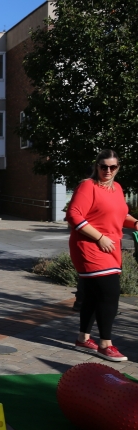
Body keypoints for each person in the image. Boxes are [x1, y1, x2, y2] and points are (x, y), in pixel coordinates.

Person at [66, 149, 138, 362]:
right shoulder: (88, 186)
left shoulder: (116, 188)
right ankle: (105, 344)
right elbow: (73, 214)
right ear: (96, 166)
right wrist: (99, 237)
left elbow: (120, 214)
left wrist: (135, 223)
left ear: (118, 168)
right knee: (110, 293)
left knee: (92, 294)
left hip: (111, 247)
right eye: (104, 166)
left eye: (112, 167)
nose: (108, 170)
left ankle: (83, 338)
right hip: (90, 246)